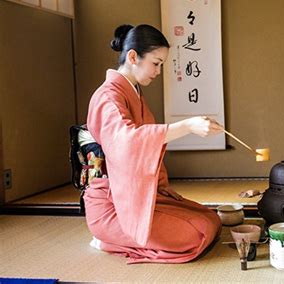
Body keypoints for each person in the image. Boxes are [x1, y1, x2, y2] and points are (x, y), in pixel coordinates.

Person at [82, 24, 223, 264]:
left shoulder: (132, 93)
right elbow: (128, 142)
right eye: (156, 63)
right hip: (112, 203)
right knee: (197, 234)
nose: (158, 72)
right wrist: (187, 126)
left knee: (211, 220)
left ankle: (123, 239)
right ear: (133, 57)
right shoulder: (108, 96)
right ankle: (110, 240)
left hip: (139, 195)